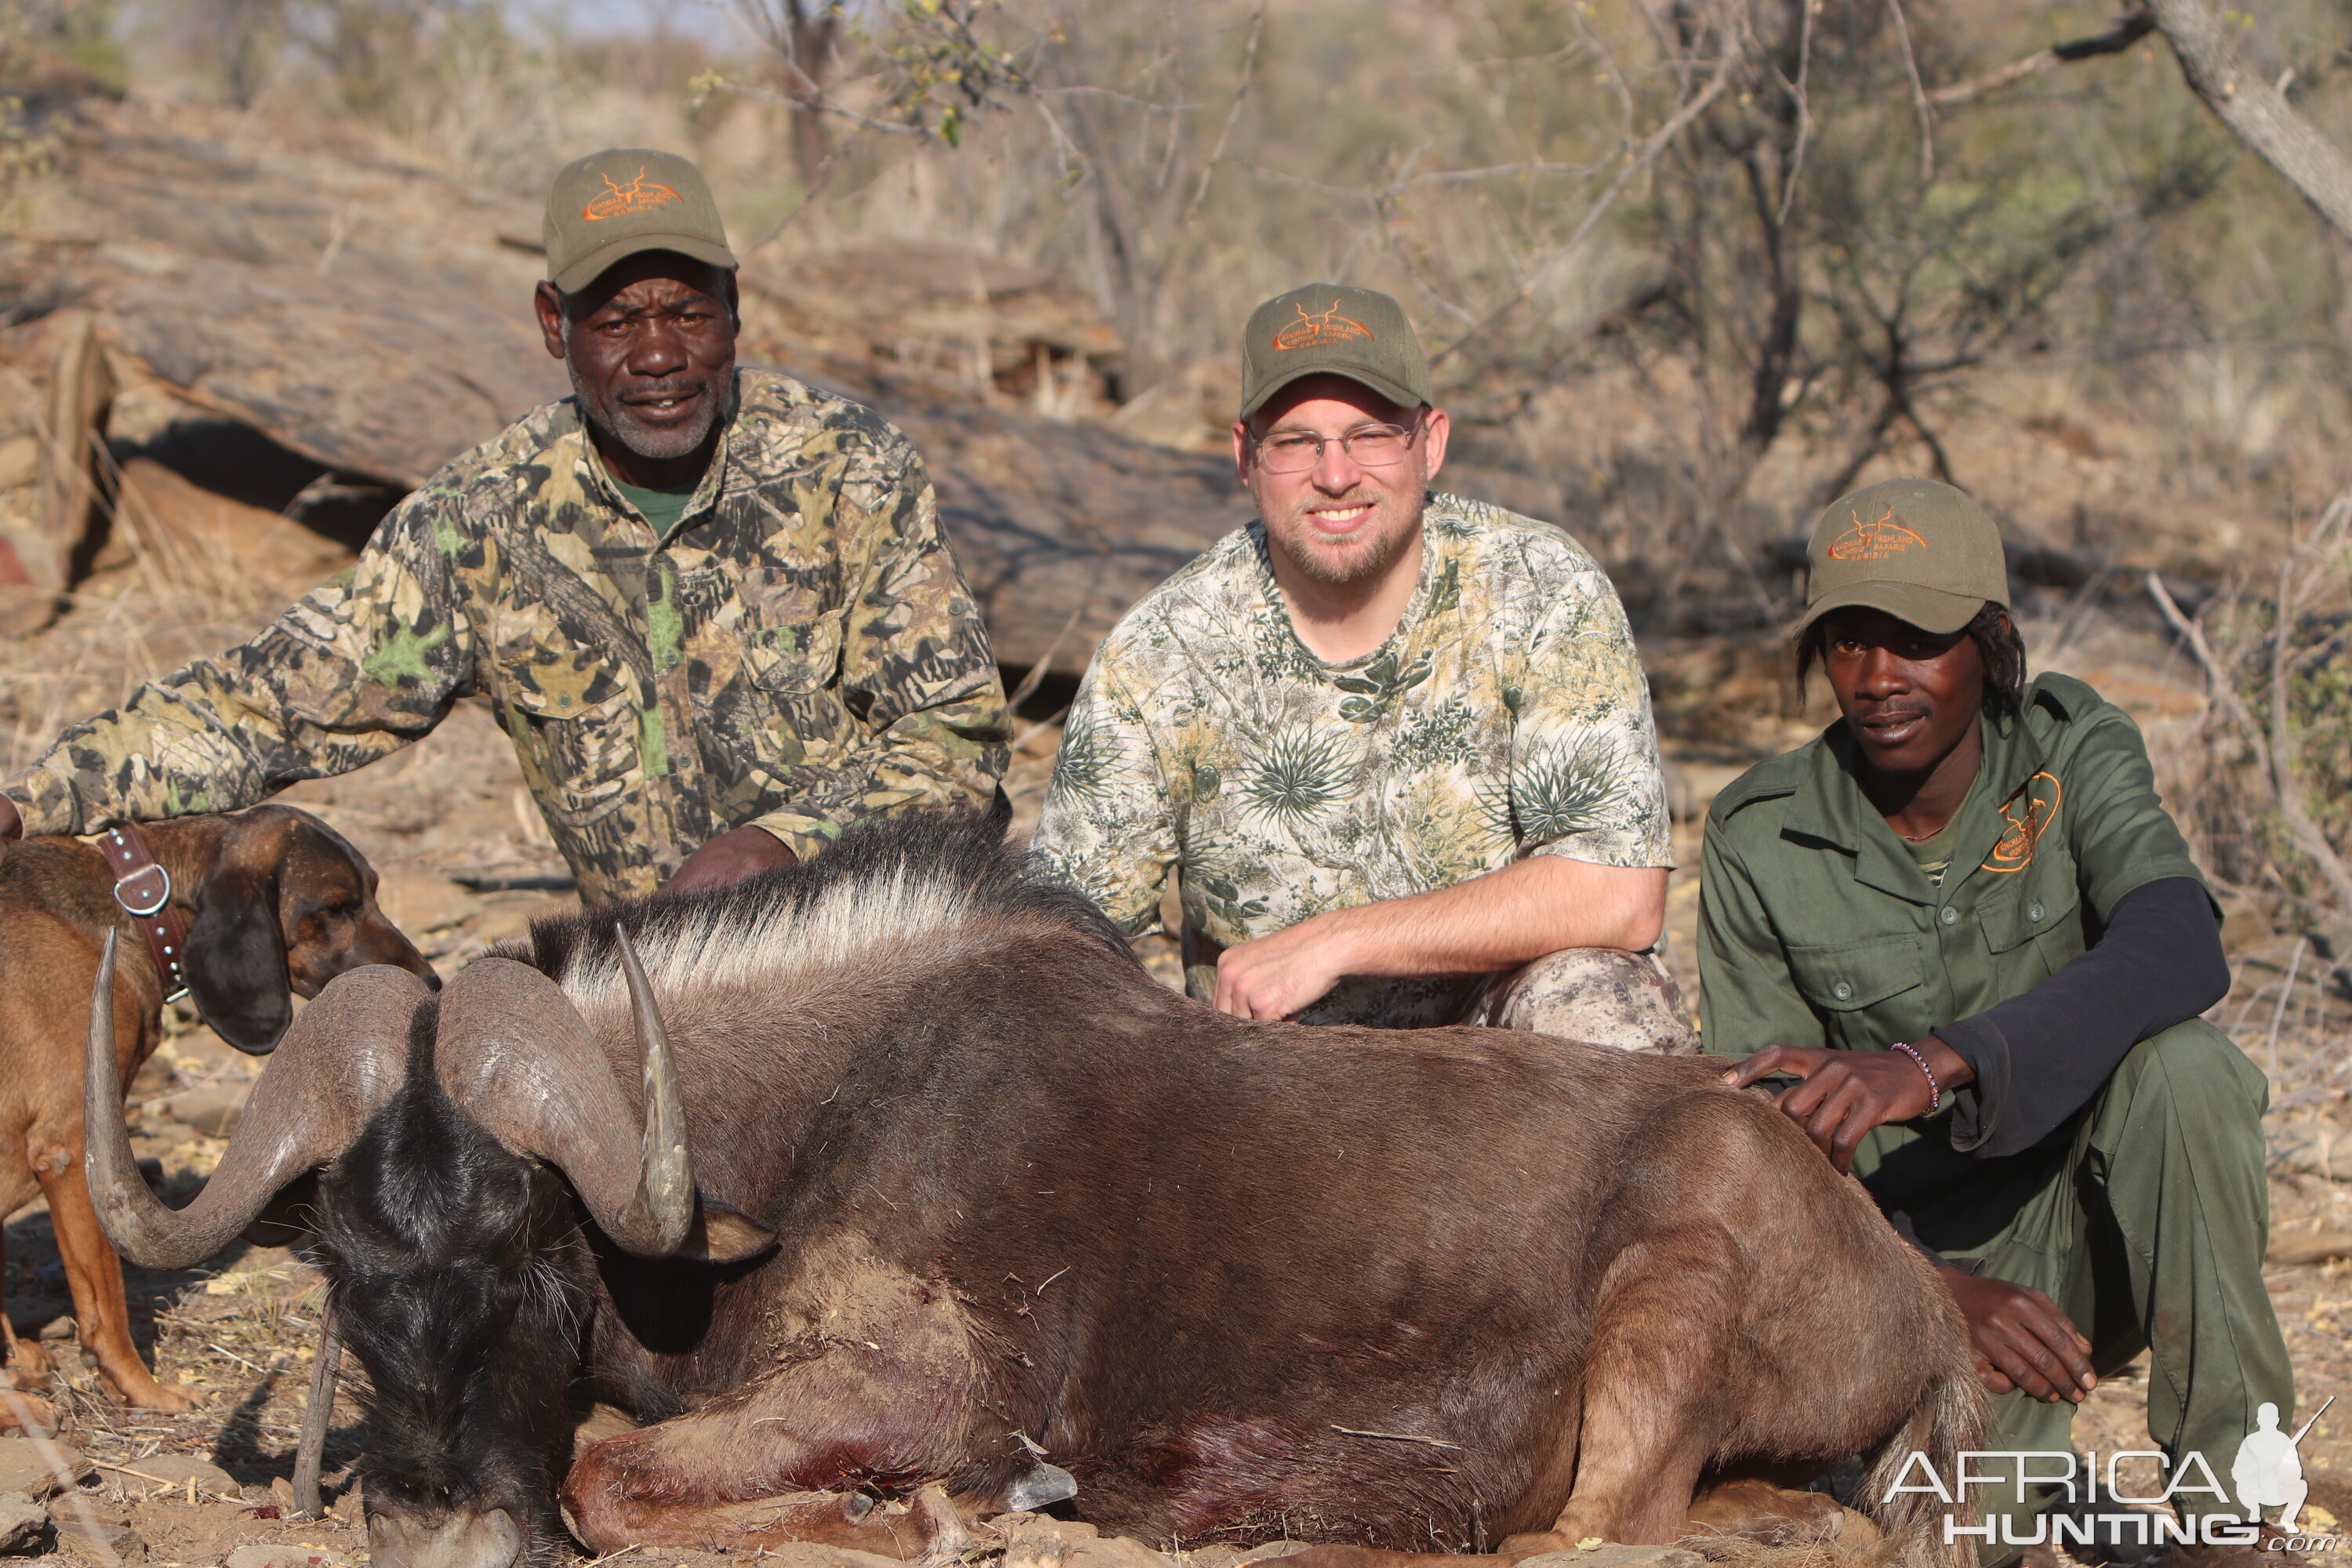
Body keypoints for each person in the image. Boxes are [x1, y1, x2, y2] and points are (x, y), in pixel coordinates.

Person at [0, 149, 1010, 902]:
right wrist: (37, 799)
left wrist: (782, 844)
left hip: (875, 954)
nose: (660, 354)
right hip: (659, 997)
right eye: (616, 322)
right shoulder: (481, 522)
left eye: (688, 314)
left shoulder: (849, 466)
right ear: (551, 324)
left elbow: (956, 743)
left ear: (735, 310)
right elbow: (268, 701)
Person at [1700, 477, 2295, 1564]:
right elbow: (1759, 1151)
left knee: (2186, 1069)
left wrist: (1936, 1064)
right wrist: (1928, 1291)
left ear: (1993, 640)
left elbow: (2178, 938)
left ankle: (2230, 1522)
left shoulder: (2069, 748)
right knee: (1966, 1539)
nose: (1877, 680)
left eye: (1917, 641)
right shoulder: (1759, 836)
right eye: (1846, 642)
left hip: (2104, 1229)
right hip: (1900, 1285)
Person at [1032, 283, 1685, 1044]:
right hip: (1275, 1089)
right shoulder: (1159, 651)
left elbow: (1619, 893)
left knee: (1600, 998)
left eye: (1371, 434)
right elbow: (1062, 947)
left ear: (1431, 441)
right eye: (1296, 441)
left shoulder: (1542, 589)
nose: (1336, 473)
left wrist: (1335, 941)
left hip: (1510, 1088)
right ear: (1245, 454)